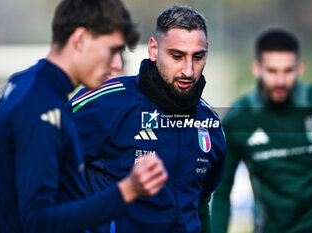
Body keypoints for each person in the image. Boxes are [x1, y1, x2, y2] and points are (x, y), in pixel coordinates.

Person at [0, 0, 168, 232]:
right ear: (80, 40)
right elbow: (38, 221)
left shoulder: (25, 83)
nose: (117, 63)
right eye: (112, 50)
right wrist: (126, 191)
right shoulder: (41, 107)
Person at [70, 5, 227, 233]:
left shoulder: (210, 125)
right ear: (153, 49)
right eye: (177, 56)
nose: (188, 70)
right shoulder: (103, 104)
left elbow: (201, 205)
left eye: (198, 57)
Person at [211, 29, 312, 233]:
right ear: (257, 69)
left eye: (288, 71)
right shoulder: (238, 120)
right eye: (272, 71)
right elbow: (221, 193)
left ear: (299, 68)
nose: (281, 81)